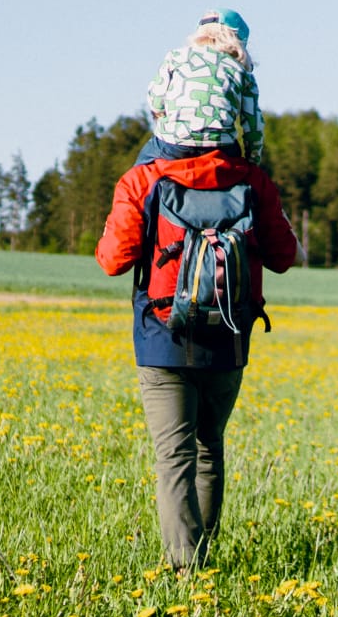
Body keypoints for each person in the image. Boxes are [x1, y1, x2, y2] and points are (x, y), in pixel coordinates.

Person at [96, 145, 297, 569]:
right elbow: (283, 257)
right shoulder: (252, 179)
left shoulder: (142, 179)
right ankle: (201, 558)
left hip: (161, 336)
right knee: (209, 447)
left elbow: (114, 260)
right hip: (230, 334)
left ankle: (188, 571)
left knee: (174, 455)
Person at [137, 8, 267, 167]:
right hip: (221, 147)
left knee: (137, 178)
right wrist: (252, 161)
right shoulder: (242, 73)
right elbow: (254, 126)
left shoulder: (176, 57)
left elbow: (156, 100)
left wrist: (163, 116)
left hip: (173, 144)